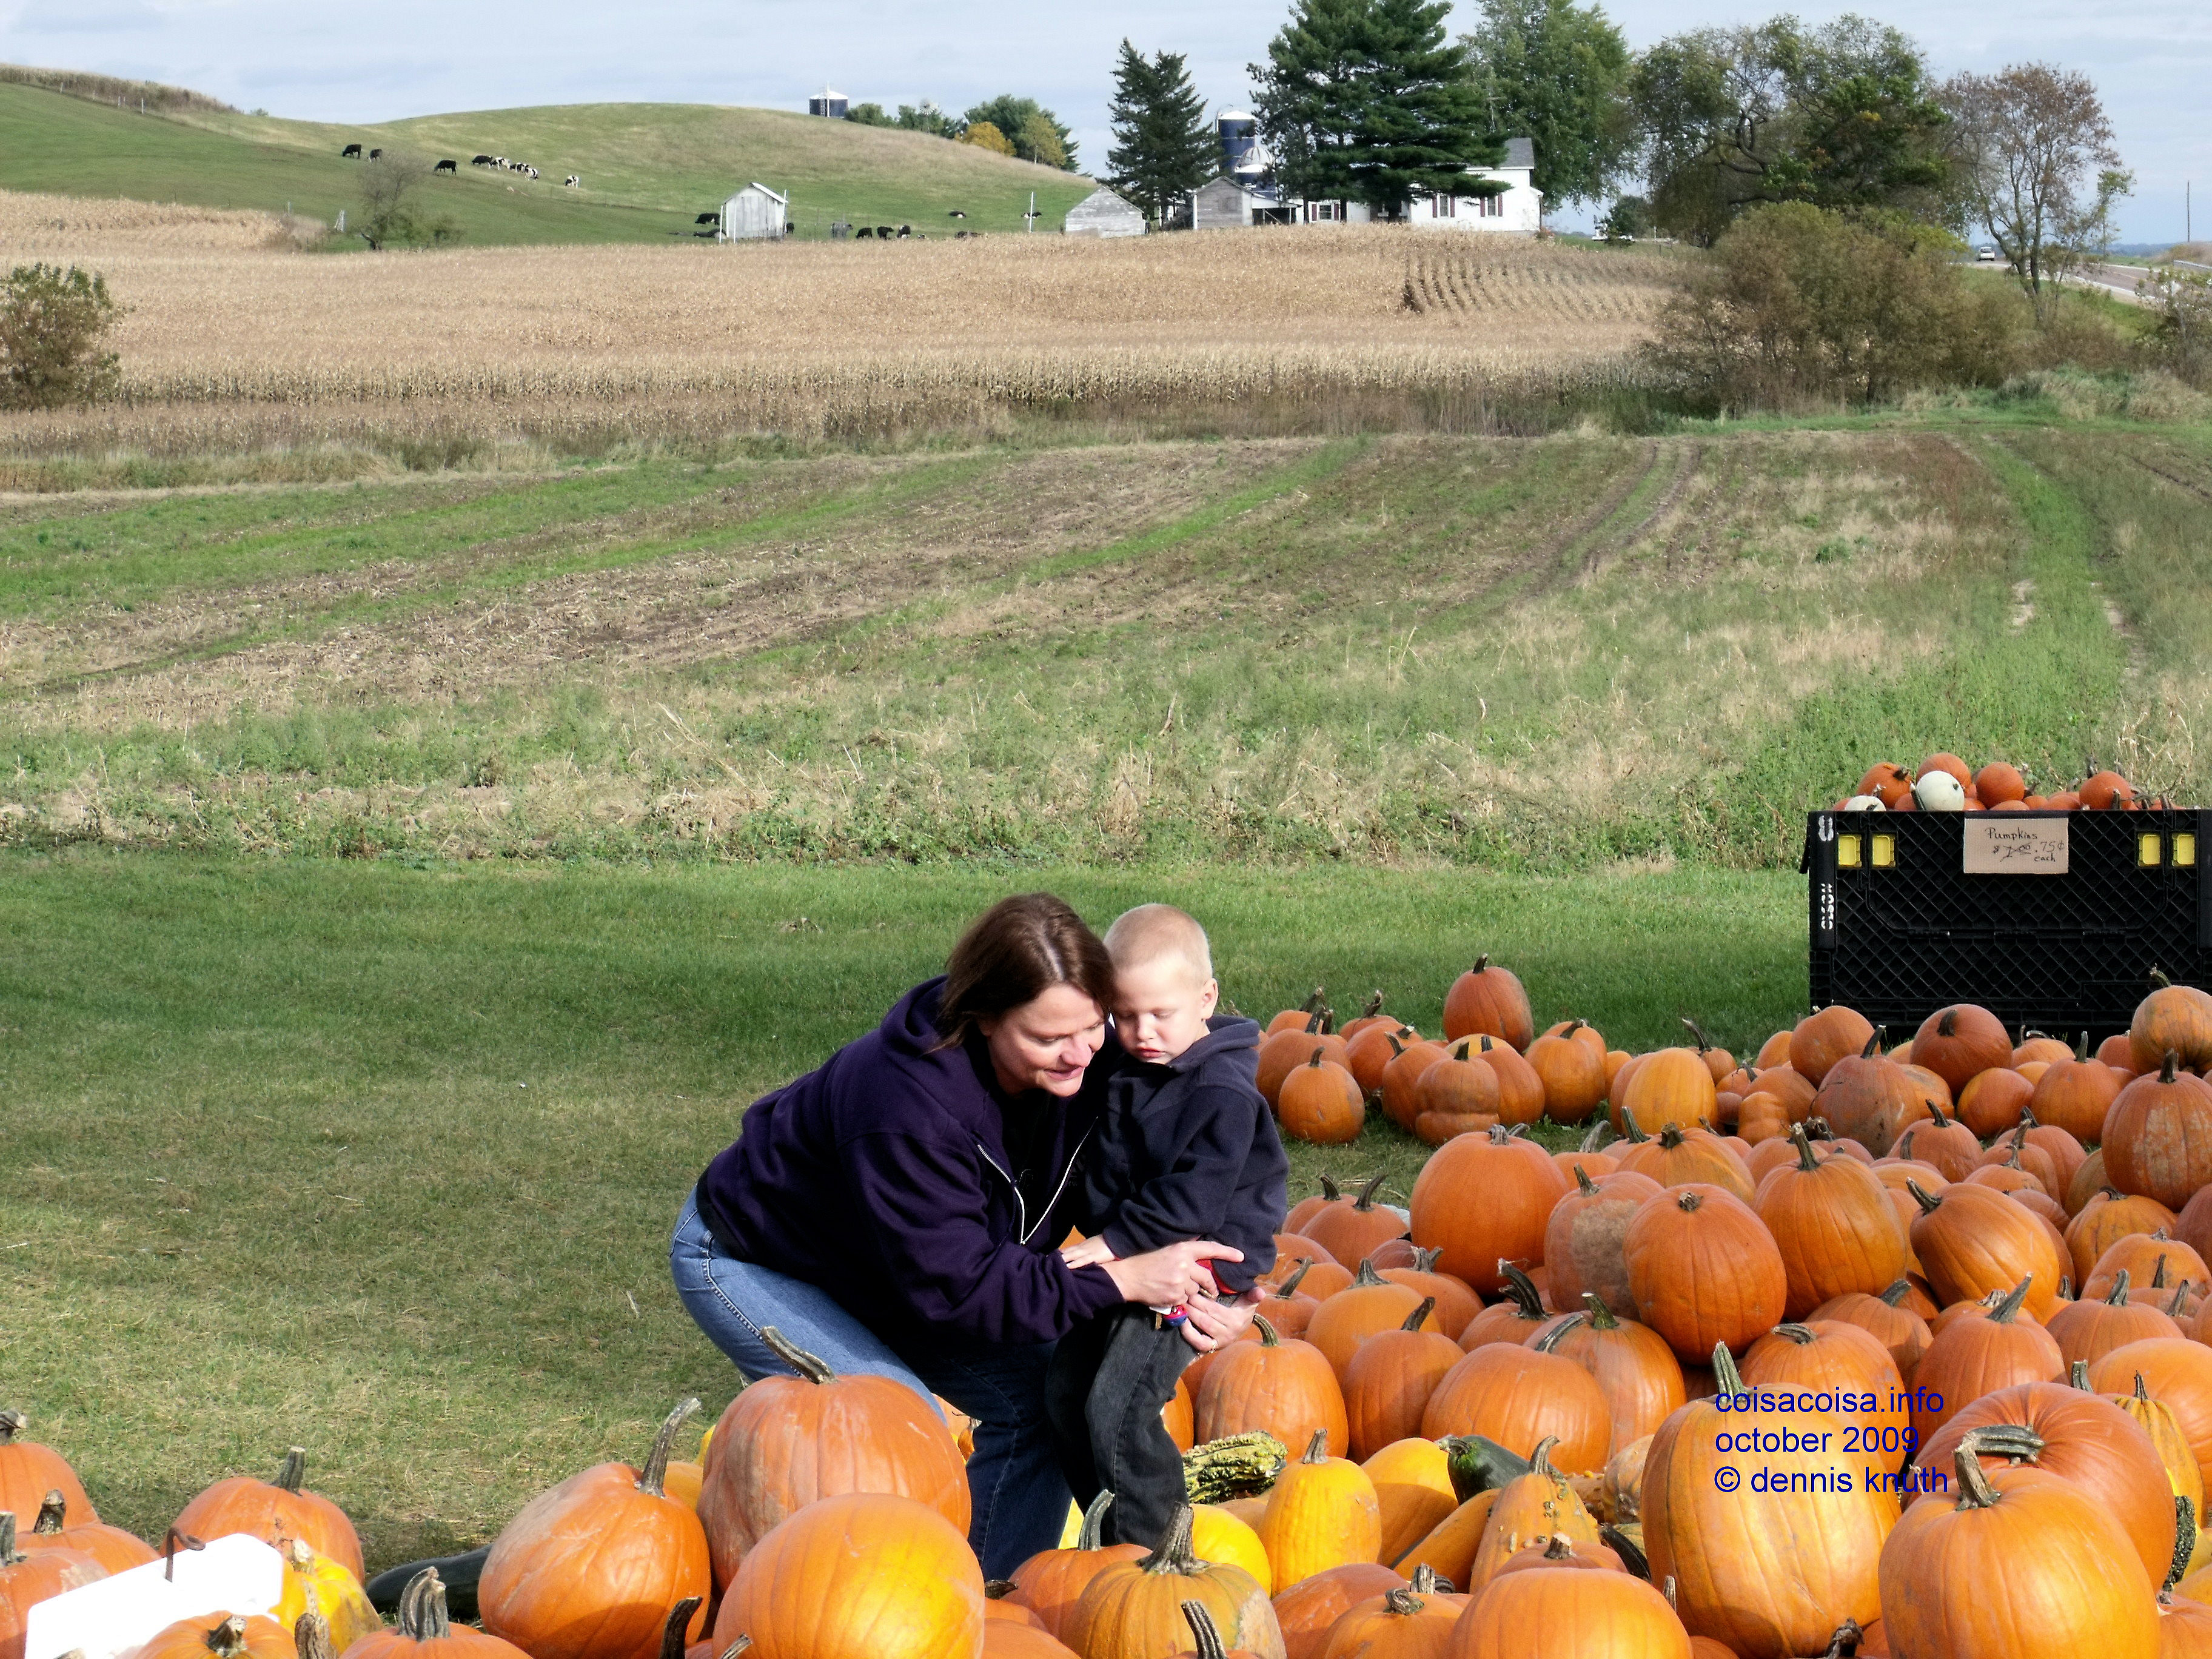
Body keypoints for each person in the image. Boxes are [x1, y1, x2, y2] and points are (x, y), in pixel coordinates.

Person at [669, 892, 1254, 1578]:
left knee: (1045, 1399)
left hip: (895, 1266)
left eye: (1093, 1027)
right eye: (1047, 1038)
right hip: (753, 1256)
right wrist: (1122, 1276)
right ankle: (789, 1595)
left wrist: (1239, 1283)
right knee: (897, 1430)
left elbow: (1220, 1126)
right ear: (982, 1019)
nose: (1081, 1056)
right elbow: (965, 1288)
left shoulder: (1103, 1043)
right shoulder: (904, 1109)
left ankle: (988, 1600)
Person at [1044, 903, 1287, 1548]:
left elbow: (1192, 1205)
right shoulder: (1134, 1064)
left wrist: (1111, 1245)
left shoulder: (1221, 1093)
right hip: (1138, 1254)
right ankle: (1104, 1531)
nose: (1141, 1031)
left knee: (1119, 1410)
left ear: (1206, 998)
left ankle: (1157, 1555)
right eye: (1123, 1016)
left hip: (1197, 1264)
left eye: (1159, 1014)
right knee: (1065, 1394)